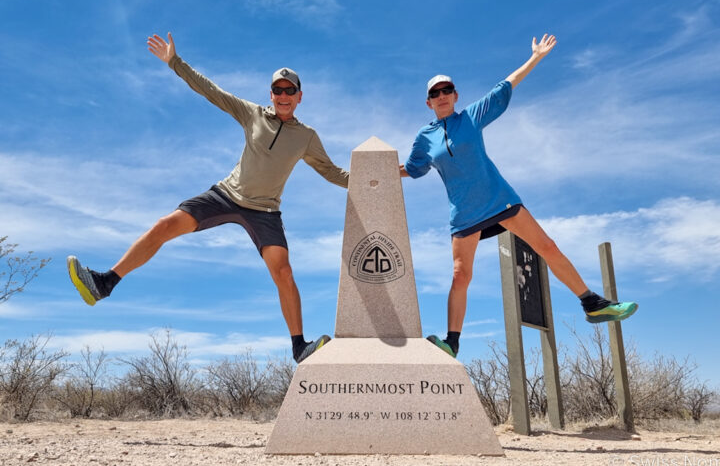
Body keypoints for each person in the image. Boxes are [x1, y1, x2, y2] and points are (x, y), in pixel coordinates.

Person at [67, 32, 348, 363]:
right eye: (278, 90)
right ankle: (104, 283)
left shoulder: (307, 137)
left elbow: (332, 172)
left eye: (290, 90)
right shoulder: (253, 114)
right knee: (164, 225)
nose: (283, 95)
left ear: (300, 96)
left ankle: (299, 347)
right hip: (226, 195)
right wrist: (175, 62)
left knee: (283, 272)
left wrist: (382, 176)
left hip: (265, 211)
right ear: (270, 94)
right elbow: (211, 91)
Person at [400, 33, 637, 358]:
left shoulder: (470, 117)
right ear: (428, 102)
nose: (441, 96)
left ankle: (592, 303)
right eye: (434, 93)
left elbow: (504, 88)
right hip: (465, 213)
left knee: (547, 246)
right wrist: (375, 169)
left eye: (446, 90)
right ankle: (451, 343)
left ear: (455, 95)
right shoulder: (424, 137)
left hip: (499, 200)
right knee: (460, 274)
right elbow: (412, 169)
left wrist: (536, 57)